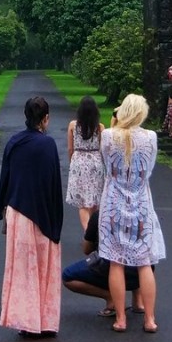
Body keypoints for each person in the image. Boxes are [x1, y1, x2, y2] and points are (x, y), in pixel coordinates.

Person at [0, 93, 64, 336]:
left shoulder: (14, 142)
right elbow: (53, 183)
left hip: (18, 211)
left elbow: (6, 179)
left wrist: (3, 208)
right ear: (45, 119)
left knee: (23, 268)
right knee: (44, 266)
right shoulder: (48, 145)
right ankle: (45, 321)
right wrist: (56, 219)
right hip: (42, 212)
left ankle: (26, 321)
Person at [99, 93, 165, 333]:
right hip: (141, 202)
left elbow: (107, 164)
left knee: (116, 261)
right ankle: (149, 318)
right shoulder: (150, 138)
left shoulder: (107, 136)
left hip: (113, 202)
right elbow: (149, 170)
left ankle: (120, 318)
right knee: (144, 261)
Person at [62, 207, 140, 307]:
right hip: (138, 276)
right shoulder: (143, 214)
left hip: (113, 269)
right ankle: (139, 301)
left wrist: (91, 233)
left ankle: (111, 297)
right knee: (142, 260)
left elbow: (86, 249)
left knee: (67, 276)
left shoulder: (101, 215)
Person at [65, 94, 105, 238]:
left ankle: (89, 233)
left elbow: (70, 148)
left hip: (79, 161)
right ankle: (95, 232)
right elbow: (102, 148)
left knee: (82, 203)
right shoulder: (100, 127)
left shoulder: (73, 125)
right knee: (95, 201)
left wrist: (72, 162)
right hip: (95, 161)